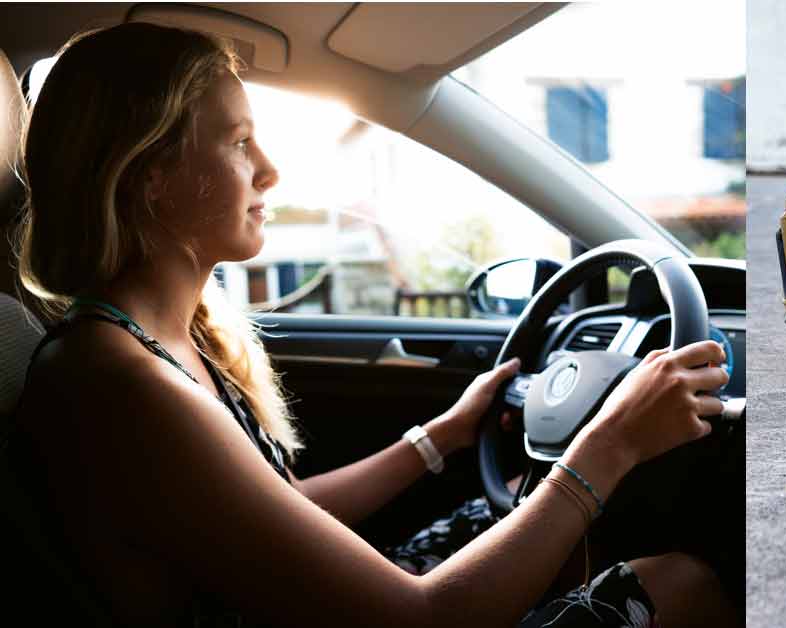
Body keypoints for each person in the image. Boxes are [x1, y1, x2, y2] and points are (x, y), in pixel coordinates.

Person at [9, 22, 738, 627]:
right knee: (678, 583)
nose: (269, 170)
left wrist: (441, 437)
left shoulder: (161, 341)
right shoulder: (118, 383)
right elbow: (422, 619)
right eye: (237, 142)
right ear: (149, 179)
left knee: (539, 508)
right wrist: (608, 446)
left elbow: (272, 514)